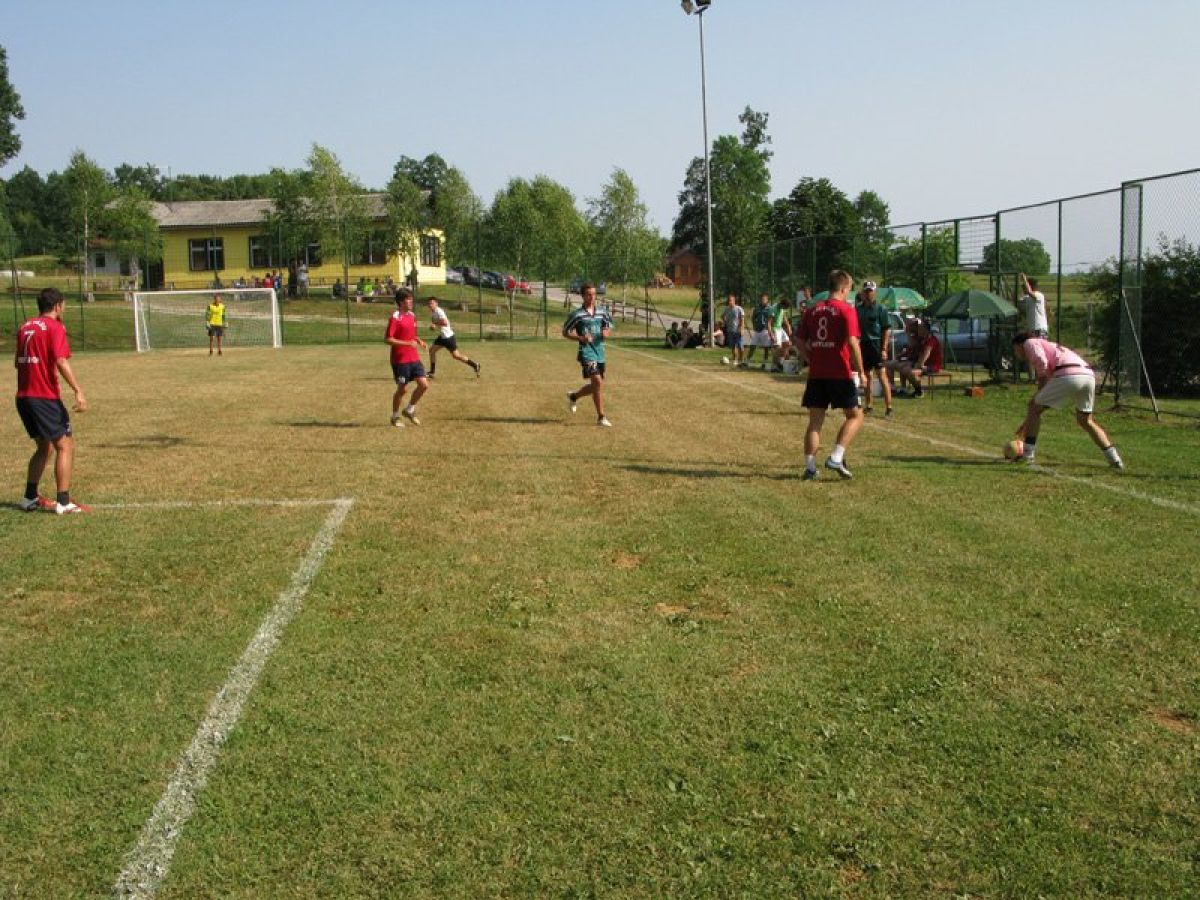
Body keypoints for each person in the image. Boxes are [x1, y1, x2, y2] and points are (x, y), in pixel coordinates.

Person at [15, 288, 89, 514]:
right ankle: (64, 502)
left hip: (23, 397)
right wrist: (78, 390)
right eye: (63, 305)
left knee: (44, 447)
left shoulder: (25, 326)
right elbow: (60, 360)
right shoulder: (55, 327)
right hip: (44, 397)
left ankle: (29, 497)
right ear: (57, 305)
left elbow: (18, 362)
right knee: (65, 445)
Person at [1011, 332, 1123, 470]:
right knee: (1086, 420)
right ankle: (1115, 459)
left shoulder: (1030, 342)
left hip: (1069, 375)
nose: (1016, 353)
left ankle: (1027, 456)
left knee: (1034, 408)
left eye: (1015, 349)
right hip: (1088, 376)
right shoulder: (1050, 346)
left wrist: (1034, 403)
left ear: (1019, 344)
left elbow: (1042, 364)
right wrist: (1029, 419)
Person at [797, 270, 867, 480]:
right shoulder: (846, 310)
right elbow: (853, 342)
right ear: (844, 288)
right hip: (839, 372)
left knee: (815, 422)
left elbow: (798, 339)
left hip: (817, 373)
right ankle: (836, 457)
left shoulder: (813, 310)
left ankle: (810, 469)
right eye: (849, 290)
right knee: (856, 416)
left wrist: (810, 358)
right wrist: (861, 371)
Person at [563, 282, 614, 427]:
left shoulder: (602, 312)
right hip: (586, 352)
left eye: (594, 294)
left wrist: (606, 332)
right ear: (583, 296)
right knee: (597, 382)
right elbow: (565, 332)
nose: (592, 297)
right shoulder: (577, 314)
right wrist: (581, 338)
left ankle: (574, 396)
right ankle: (601, 417)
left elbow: (607, 326)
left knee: (596, 385)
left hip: (600, 352)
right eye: (589, 294)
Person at [385, 288, 429, 427]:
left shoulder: (412, 315)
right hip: (400, 360)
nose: (411, 301)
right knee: (402, 390)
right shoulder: (395, 317)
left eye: (411, 299)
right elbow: (388, 339)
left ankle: (409, 410)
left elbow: (411, 334)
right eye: (408, 299)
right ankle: (395, 417)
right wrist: (407, 343)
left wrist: (419, 340)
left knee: (424, 385)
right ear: (400, 302)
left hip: (413, 358)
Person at [855, 280, 893, 416]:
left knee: (882, 375)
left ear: (875, 292)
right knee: (867, 376)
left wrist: (884, 348)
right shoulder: (858, 309)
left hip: (876, 344)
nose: (868, 293)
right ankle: (869, 405)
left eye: (870, 291)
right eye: (866, 291)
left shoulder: (881, 309)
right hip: (863, 345)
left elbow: (886, 329)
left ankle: (889, 407)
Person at [426, 296, 480, 379]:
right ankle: (432, 372)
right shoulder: (433, 313)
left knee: (456, 356)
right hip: (442, 337)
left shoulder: (439, 311)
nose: (430, 305)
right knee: (431, 351)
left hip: (448, 337)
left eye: (432, 303)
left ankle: (475, 365)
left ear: (436, 304)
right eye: (429, 304)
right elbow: (437, 324)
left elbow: (445, 323)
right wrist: (433, 327)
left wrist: (435, 324)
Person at [891, 319, 942, 397]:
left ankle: (919, 391)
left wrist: (918, 366)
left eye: (920, 328)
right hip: (921, 363)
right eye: (918, 328)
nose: (919, 330)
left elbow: (926, 354)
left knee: (909, 371)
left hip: (932, 366)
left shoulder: (931, 340)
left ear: (926, 330)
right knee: (901, 367)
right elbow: (911, 346)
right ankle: (899, 388)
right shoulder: (921, 338)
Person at [746, 293, 774, 368]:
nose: (762, 301)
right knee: (752, 346)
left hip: (765, 330)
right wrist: (754, 325)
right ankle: (747, 361)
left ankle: (765, 363)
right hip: (757, 330)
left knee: (766, 347)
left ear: (767, 300)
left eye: (764, 299)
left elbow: (772, 319)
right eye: (761, 299)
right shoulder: (757, 308)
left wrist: (770, 328)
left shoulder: (770, 309)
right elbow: (753, 317)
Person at [720, 294, 746, 367]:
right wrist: (725, 321)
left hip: (738, 330)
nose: (730, 302)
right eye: (729, 301)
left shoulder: (739, 309)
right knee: (733, 346)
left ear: (734, 301)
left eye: (731, 300)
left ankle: (741, 361)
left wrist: (742, 329)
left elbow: (742, 319)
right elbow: (722, 316)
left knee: (740, 347)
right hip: (730, 330)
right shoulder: (727, 309)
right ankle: (735, 360)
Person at [1021, 272, 1049, 338]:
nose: (1023, 289)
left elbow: (1029, 292)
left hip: (1039, 328)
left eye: (1024, 287)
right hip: (1031, 329)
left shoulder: (1039, 295)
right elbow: (1018, 303)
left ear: (1030, 286)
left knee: (1038, 344)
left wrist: (1024, 279)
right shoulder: (1027, 298)